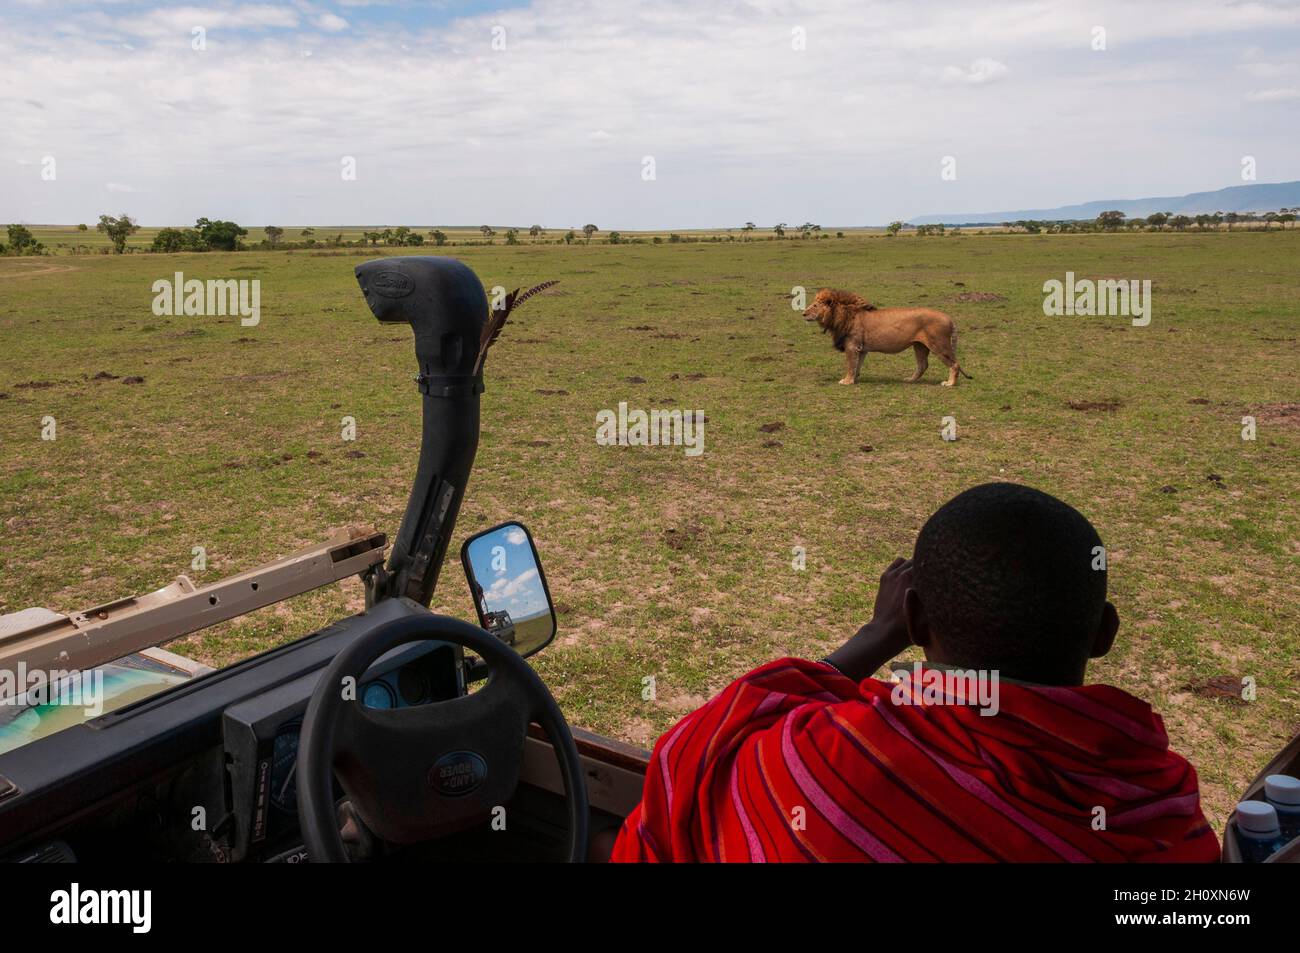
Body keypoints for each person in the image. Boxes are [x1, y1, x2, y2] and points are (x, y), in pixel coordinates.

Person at [610, 482, 1220, 862]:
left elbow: (695, 752)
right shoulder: (1163, 812)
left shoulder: (824, 757)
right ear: (1105, 635)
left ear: (914, 620)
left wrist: (875, 638)